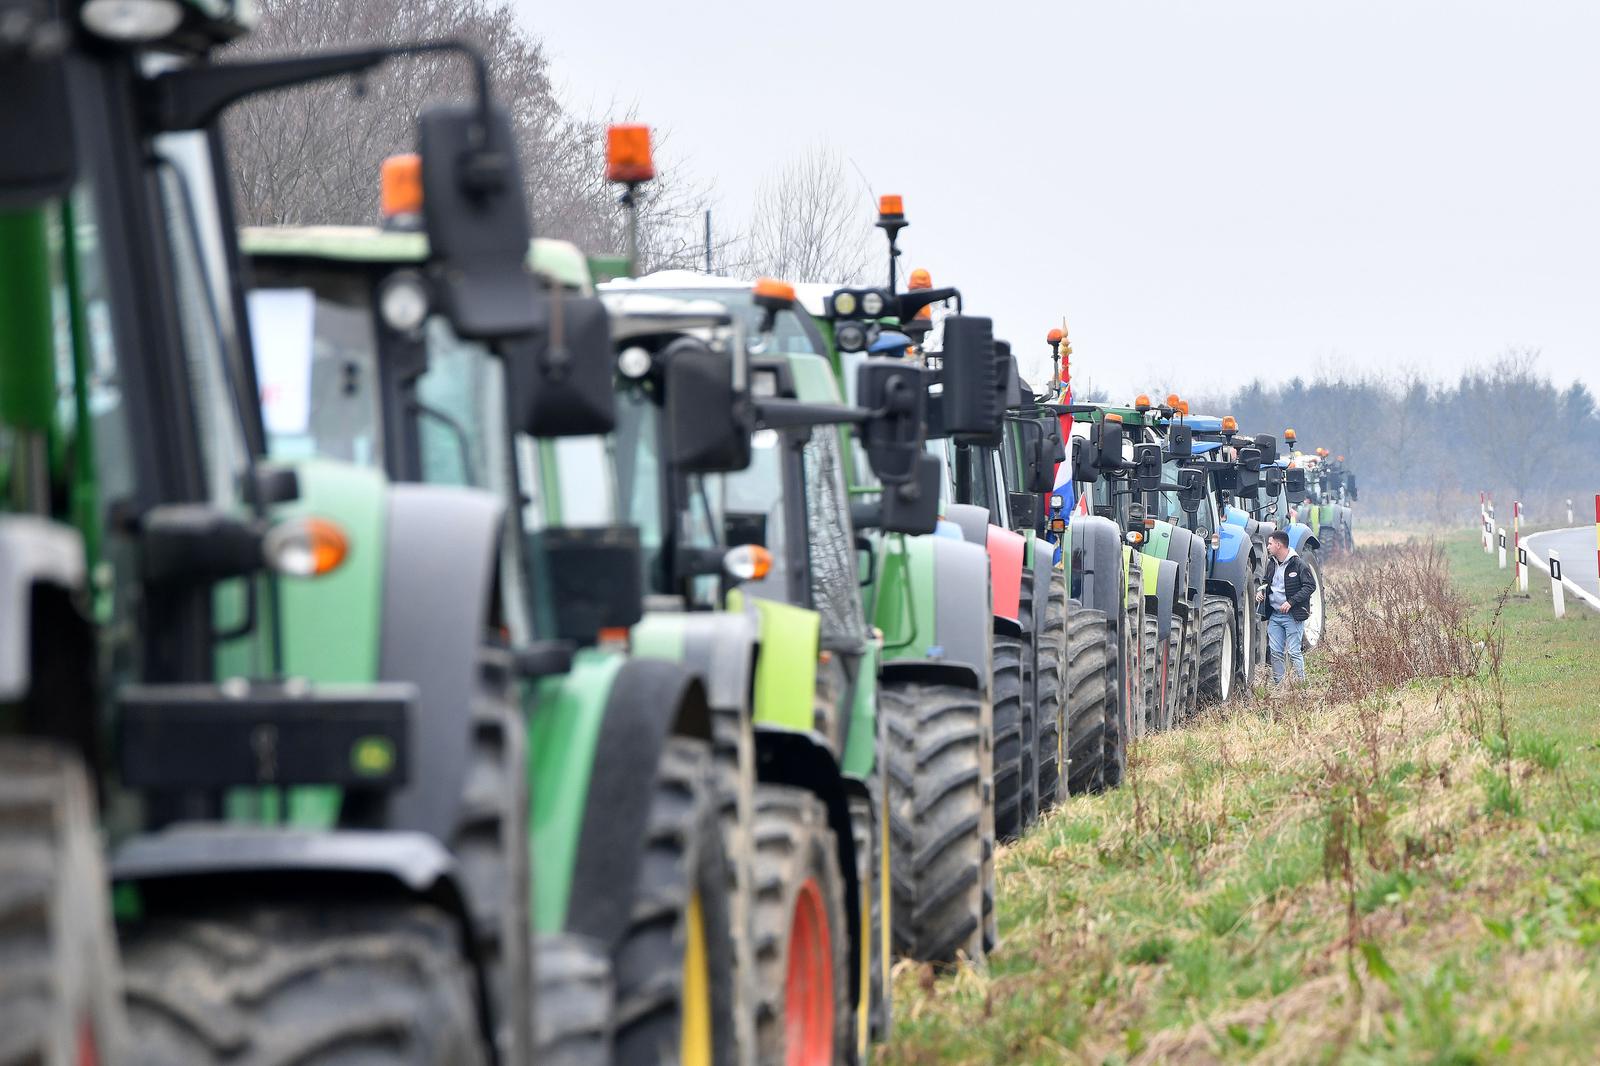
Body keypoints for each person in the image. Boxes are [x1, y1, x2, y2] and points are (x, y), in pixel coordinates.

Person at [1257, 530, 1316, 683]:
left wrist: (1291, 602)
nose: (1268, 547)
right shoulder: (1271, 564)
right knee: (1275, 652)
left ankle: (1300, 686)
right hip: (1275, 616)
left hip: (1293, 616)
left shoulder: (1299, 565)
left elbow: (1310, 586)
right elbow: (1265, 582)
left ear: (1278, 545)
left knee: (1294, 652)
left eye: (1270, 544)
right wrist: (1261, 592)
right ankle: (1280, 686)